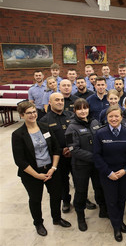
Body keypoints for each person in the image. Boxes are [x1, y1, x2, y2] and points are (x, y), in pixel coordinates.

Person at [12, 101, 71, 236]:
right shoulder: (18, 134)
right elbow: (19, 160)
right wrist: (37, 175)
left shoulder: (45, 127)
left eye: (34, 112)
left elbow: (56, 149)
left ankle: (57, 218)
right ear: (22, 115)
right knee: (35, 199)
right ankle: (38, 223)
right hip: (31, 173)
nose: (33, 115)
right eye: (29, 113)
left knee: (56, 196)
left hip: (51, 169)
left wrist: (54, 167)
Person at [65, 99, 107, 232]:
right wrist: (95, 157)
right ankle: (81, 216)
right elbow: (73, 149)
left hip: (96, 165)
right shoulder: (71, 128)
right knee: (81, 191)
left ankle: (103, 209)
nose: (83, 111)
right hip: (80, 165)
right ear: (75, 111)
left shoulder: (94, 122)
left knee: (99, 187)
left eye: (85, 108)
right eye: (79, 109)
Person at [93, 105, 126, 242]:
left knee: (122, 200)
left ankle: (120, 220)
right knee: (111, 201)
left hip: (124, 173)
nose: (114, 118)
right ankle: (116, 226)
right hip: (107, 174)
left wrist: (125, 170)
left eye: (117, 116)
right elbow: (97, 156)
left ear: (121, 117)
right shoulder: (100, 133)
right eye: (111, 116)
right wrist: (108, 172)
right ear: (106, 118)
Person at [40, 93, 74, 213]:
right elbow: (46, 142)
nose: (60, 102)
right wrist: (61, 151)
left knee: (78, 178)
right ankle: (65, 200)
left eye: (61, 100)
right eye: (56, 100)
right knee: (63, 180)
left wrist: (71, 148)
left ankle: (82, 199)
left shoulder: (71, 115)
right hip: (58, 157)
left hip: (74, 153)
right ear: (50, 102)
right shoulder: (44, 121)